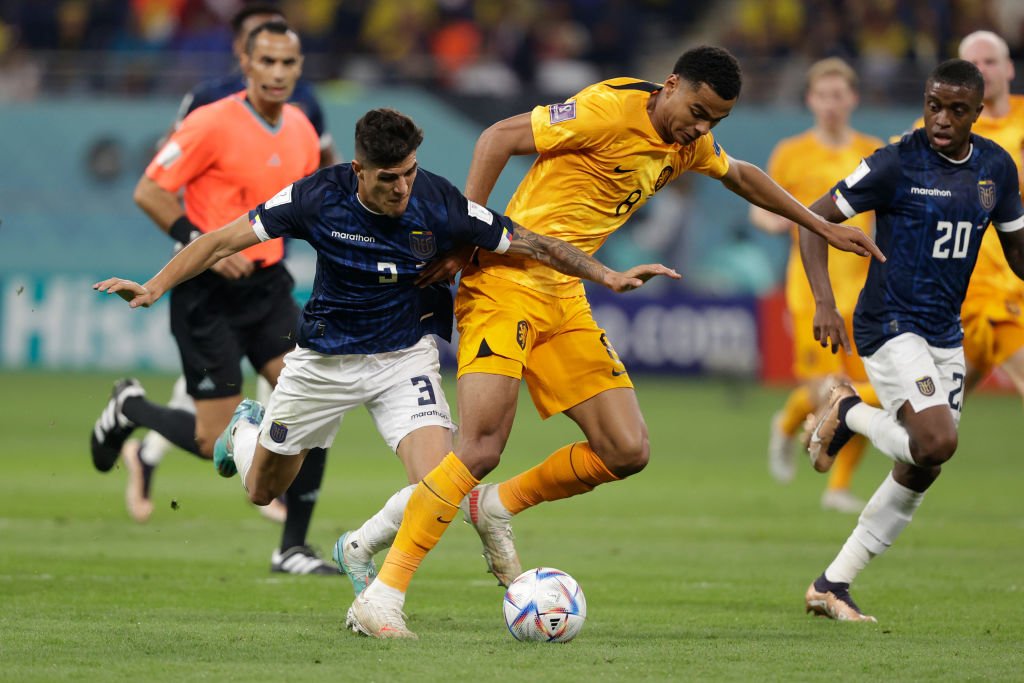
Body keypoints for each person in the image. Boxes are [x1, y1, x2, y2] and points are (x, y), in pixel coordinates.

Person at [348, 45, 884, 639]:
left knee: (626, 449)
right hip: (505, 283)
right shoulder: (605, 110)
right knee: (479, 445)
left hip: (565, 295)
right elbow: (497, 137)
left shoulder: (689, 144)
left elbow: (743, 176)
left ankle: (495, 506)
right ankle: (383, 593)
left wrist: (822, 224)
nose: (702, 128)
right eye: (698, 111)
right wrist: (464, 231)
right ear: (672, 84)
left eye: (716, 121)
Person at [92, 106, 678, 602]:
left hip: (404, 357)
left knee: (442, 482)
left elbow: (530, 241)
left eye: (410, 173)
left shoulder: (439, 203)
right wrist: (153, 285)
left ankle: (361, 552)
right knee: (261, 490)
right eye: (389, 178)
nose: (403, 188)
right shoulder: (315, 198)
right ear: (359, 171)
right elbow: (221, 239)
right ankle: (247, 431)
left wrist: (607, 274)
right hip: (323, 361)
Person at [88, 20, 335, 575]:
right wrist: (201, 243)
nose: (277, 73)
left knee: (315, 400)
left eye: (287, 63)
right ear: (245, 66)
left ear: (299, 70)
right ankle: (130, 408)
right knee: (212, 441)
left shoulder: (300, 128)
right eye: (266, 62)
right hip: (206, 294)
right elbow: (150, 190)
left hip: (269, 289)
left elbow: (311, 205)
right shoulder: (209, 123)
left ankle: (292, 547)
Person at [800, 58, 1024, 622]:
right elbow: (812, 220)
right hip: (889, 323)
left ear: (977, 114)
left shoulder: (997, 168)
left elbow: (1019, 255)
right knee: (938, 440)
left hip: (945, 331)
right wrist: (825, 302)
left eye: (956, 109)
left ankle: (834, 583)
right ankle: (849, 410)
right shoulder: (895, 163)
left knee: (924, 463)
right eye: (933, 105)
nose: (941, 118)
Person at [749, 57, 883, 513]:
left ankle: (838, 487)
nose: (831, 103)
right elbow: (761, 207)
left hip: (863, 292)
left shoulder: (871, 150)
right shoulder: (792, 152)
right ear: (810, 100)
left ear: (852, 99)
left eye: (838, 95)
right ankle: (786, 425)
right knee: (822, 391)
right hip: (811, 290)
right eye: (822, 95)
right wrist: (780, 222)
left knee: (868, 392)